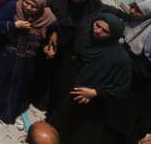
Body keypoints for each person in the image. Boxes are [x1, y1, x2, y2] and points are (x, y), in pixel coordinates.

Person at [48, 13, 131, 143]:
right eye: (97, 25)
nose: (97, 31)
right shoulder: (87, 38)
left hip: (91, 107)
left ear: (114, 35)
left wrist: (95, 92)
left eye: (105, 31)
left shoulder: (120, 59)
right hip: (68, 95)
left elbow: (121, 88)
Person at [123, 0, 151, 141]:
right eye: (132, 6)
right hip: (130, 91)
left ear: (148, 14)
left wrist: (127, 61)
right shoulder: (134, 24)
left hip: (146, 98)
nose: (132, 11)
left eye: (138, 10)